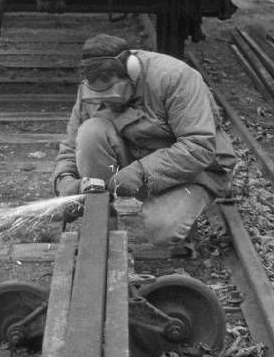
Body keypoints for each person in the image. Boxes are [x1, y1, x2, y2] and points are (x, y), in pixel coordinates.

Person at [52, 33, 237, 245]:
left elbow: (198, 147)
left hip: (194, 173)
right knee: (91, 131)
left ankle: (181, 205)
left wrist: (140, 172)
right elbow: (72, 143)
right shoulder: (90, 89)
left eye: (111, 90)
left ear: (131, 71)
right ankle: (101, 220)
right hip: (140, 163)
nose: (105, 99)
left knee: (162, 229)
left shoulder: (175, 77)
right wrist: (64, 180)